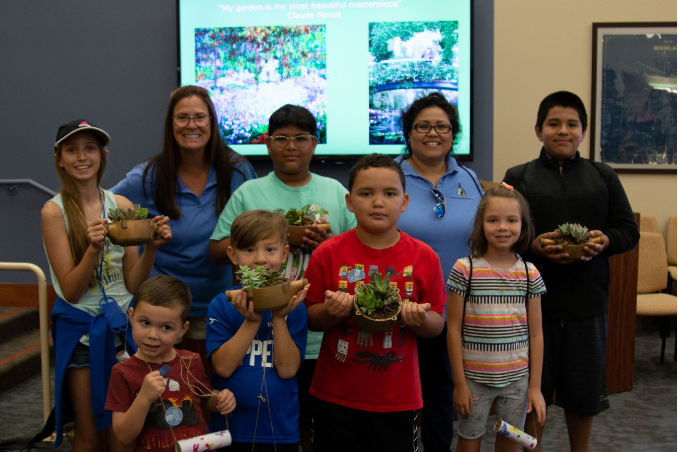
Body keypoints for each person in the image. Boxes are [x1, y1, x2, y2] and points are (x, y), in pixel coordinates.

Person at [208, 104, 355, 451]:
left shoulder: (334, 190)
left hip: (315, 328)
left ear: (315, 143)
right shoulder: (249, 192)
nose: (291, 146)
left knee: (304, 421)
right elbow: (217, 249)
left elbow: (354, 253)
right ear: (268, 143)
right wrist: (279, 236)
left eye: (301, 138)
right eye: (282, 138)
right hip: (253, 315)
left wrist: (328, 244)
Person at [503, 91, 640, 451]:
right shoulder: (517, 177)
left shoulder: (603, 176)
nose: (562, 131)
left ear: (583, 131)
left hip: (587, 305)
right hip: (532, 308)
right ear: (538, 130)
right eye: (553, 124)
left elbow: (628, 231)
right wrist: (534, 246)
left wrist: (604, 242)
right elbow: (500, 235)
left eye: (572, 125)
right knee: (533, 392)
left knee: (583, 396)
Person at [42, 119, 172, 451]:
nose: (81, 157)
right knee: (88, 433)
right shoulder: (54, 213)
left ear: (103, 154)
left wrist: (151, 247)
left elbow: (133, 281)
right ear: (58, 157)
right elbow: (70, 291)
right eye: (71, 150)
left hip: (126, 331)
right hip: (85, 334)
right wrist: (93, 250)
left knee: (123, 433)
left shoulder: (122, 207)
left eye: (89, 148)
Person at [303, 153, 447, 452]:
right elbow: (310, 318)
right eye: (366, 193)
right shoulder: (327, 253)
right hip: (335, 394)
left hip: (397, 397)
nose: (378, 202)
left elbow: (437, 323)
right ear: (349, 202)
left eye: (389, 193)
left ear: (405, 202)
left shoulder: (424, 256)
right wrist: (331, 313)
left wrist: (421, 319)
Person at [111, 85, 257, 365]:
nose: (192, 125)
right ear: (171, 124)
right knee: (166, 398)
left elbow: (257, 228)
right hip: (163, 311)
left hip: (220, 304)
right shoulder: (148, 176)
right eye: (182, 118)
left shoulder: (237, 171)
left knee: (214, 392)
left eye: (200, 117)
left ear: (212, 123)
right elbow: (105, 203)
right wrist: (141, 231)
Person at [395, 92, 483, 451]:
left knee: (442, 399)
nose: (433, 133)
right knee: (398, 401)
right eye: (423, 126)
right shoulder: (391, 175)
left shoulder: (469, 178)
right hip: (403, 310)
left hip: (457, 312)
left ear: (453, 132)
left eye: (443, 127)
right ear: (409, 132)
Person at [446, 184, 547, 451]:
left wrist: (534, 388)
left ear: (522, 225)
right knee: (469, 441)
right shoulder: (464, 269)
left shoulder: (529, 273)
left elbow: (536, 335)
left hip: (517, 381)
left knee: (511, 441)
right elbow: (453, 330)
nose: (503, 227)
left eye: (511, 220)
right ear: (482, 224)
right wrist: (459, 384)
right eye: (493, 220)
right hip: (473, 380)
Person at [207, 210, 309, 451]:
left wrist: (279, 317)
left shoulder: (293, 308)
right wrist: (252, 322)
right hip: (228, 430)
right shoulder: (222, 304)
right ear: (233, 255)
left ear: (284, 253)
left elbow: (288, 370)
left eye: (270, 249)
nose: (261, 259)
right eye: (249, 250)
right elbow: (222, 367)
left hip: (279, 431)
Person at [106, 275, 236, 452]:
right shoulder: (122, 372)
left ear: (183, 329)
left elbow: (205, 400)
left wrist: (220, 399)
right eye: (145, 323)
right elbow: (123, 436)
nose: (153, 335)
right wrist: (144, 397)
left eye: (166, 327)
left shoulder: (191, 361)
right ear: (131, 316)